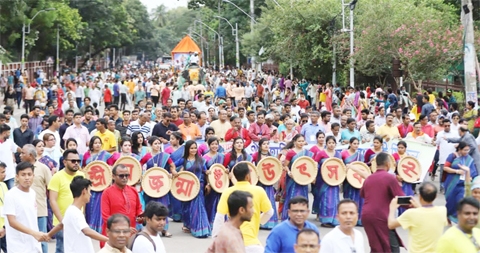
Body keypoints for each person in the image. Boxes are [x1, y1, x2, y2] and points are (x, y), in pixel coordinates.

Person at [212, 162, 273, 253]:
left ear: (234, 177)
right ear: (248, 176)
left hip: (231, 243)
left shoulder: (227, 192)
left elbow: (219, 216)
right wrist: (258, 221)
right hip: (252, 245)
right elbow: (269, 212)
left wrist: (216, 238)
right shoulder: (259, 191)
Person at [360, 152, 405, 253]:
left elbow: (362, 194)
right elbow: (401, 198)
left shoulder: (369, 178)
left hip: (366, 216)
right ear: (388, 164)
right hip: (381, 216)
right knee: (391, 247)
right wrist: (417, 207)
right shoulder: (390, 178)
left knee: (376, 246)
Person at [388, 182, 447, 252]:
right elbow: (426, 215)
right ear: (436, 196)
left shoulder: (411, 214)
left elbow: (391, 225)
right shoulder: (442, 211)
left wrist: (392, 208)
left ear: (419, 196)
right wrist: (418, 206)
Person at [4, 162, 49, 253]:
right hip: (18, 247)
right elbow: (12, 222)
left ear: (33, 176)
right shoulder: (11, 195)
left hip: (34, 245)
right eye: (23, 175)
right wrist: (34, 233)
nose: (27, 177)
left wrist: (35, 235)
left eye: (29, 174)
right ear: (17, 177)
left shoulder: (32, 193)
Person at [56, 176, 108, 253]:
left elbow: (61, 224)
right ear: (84, 191)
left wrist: (48, 235)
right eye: (89, 191)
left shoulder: (71, 210)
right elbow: (87, 231)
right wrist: (109, 240)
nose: (90, 194)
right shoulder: (75, 212)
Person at [48, 149, 85, 253]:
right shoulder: (57, 177)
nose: (76, 163)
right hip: (62, 222)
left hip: (78, 222)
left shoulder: (82, 176)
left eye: (78, 160)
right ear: (64, 162)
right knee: (62, 249)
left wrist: (83, 217)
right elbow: (52, 200)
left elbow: (84, 200)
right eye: (73, 161)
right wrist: (63, 221)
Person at [173, 140, 211, 238]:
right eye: (192, 148)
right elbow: (172, 165)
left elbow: (206, 172)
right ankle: (189, 225)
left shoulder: (201, 160)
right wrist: (174, 172)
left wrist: (209, 183)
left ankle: (201, 229)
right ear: (187, 149)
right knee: (187, 207)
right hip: (187, 187)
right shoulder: (183, 160)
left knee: (199, 206)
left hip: (199, 186)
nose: (194, 150)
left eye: (195, 148)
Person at [100, 164, 143, 247]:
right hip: (113, 236)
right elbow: (106, 217)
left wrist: (141, 218)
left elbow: (138, 210)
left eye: (127, 175)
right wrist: (124, 229)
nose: (125, 178)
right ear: (113, 176)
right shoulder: (107, 193)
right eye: (121, 176)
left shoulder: (133, 191)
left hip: (130, 236)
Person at [20, 144, 51, 253]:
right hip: (23, 211)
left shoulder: (43, 168)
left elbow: (50, 188)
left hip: (40, 210)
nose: (20, 155)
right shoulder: (19, 169)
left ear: (31, 155)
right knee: (26, 239)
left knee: (42, 239)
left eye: (23, 153)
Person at [443, 141, 478, 223]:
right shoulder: (453, 156)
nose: (467, 152)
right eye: (465, 150)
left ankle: (459, 220)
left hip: (462, 184)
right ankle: (448, 217)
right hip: (451, 182)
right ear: (459, 149)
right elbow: (445, 168)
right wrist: (457, 171)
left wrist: (470, 178)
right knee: (450, 201)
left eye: (468, 150)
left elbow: (473, 172)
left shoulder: (470, 159)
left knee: (460, 201)